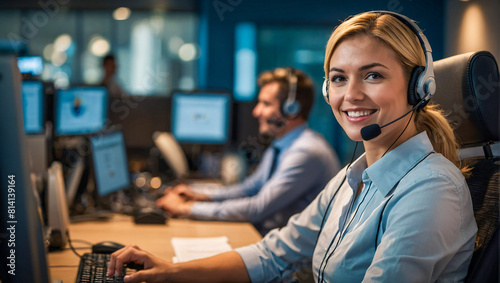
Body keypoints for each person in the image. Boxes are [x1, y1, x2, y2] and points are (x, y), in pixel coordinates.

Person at [108, 11, 477, 282]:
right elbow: (274, 253)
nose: (350, 95)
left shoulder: (431, 189)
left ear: (420, 87)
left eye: (373, 75)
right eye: (338, 78)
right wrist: (170, 273)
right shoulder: (352, 177)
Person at [156, 67, 341, 235]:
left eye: (266, 104)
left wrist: (185, 209)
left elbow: (257, 208)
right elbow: (250, 188)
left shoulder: (305, 153)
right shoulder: (282, 145)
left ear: (291, 108)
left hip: (297, 264)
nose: (256, 111)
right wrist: (200, 195)